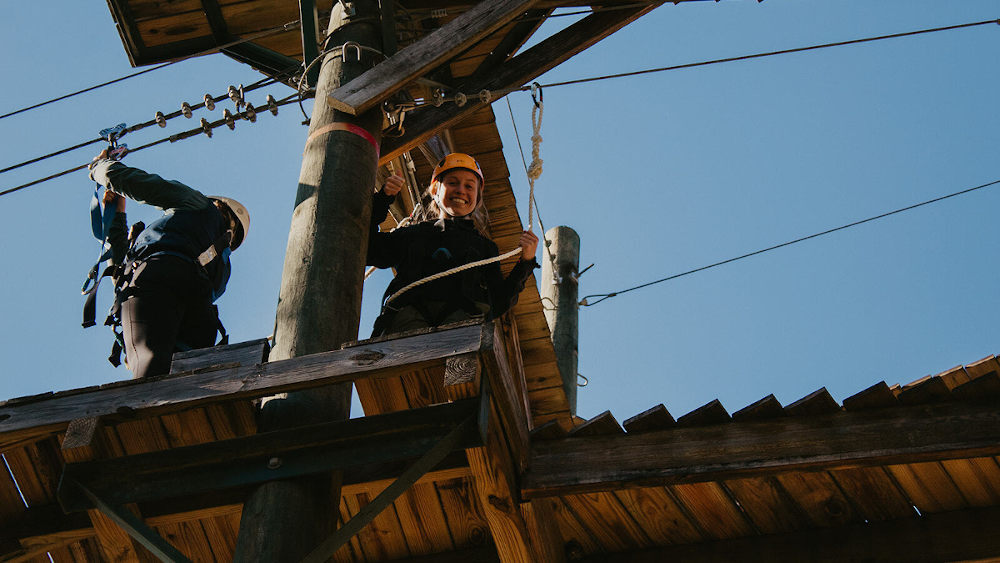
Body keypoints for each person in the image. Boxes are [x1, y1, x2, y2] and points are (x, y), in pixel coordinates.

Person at [88, 151, 250, 378]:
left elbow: (128, 180)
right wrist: (117, 215)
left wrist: (100, 167)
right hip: (199, 320)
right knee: (179, 377)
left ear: (217, 204)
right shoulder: (221, 267)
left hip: (155, 282)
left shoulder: (197, 205)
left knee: (148, 370)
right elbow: (125, 271)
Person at [367, 152, 539, 336]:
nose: (460, 190)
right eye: (452, 182)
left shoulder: (484, 249)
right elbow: (369, 250)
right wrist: (382, 200)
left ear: (477, 199)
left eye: (469, 186)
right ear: (435, 191)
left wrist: (526, 262)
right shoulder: (413, 235)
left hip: (459, 333)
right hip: (406, 325)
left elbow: (499, 301)